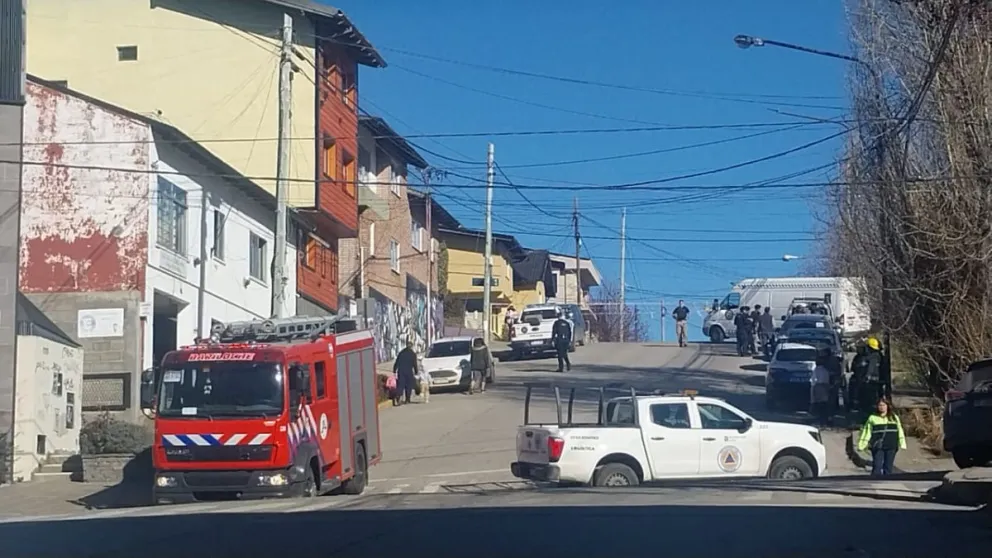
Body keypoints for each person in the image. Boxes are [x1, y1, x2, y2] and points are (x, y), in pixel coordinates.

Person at [857, 397, 906, 476]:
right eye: (880, 405)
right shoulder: (872, 418)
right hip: (878, 446)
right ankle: (875, 482)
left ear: (887, 406)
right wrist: (862, 445)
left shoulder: (894, 418)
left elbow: (900, 431)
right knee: (877, 466)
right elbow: (867, 432)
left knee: (888, 467)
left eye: (884, 405)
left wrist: (902, 443)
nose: (882, 407)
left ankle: (887, 483)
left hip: (891, 446)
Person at [852, 337, 883, 413]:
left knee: (871, 400)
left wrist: (866, 377)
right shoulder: (863, 357)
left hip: (871, 383)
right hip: (869, 383)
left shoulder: (875, 357)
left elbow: (871, 369)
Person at [392, 340, 419, 405]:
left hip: (401, 371)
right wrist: (416, 371)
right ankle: (407, 399)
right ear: (411, 346)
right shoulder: (413, 354)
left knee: (401, 384)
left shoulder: (401, 353)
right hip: (409, 371)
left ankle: (398, 396)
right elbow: (414, 364)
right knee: (408, 385)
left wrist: (394, 370)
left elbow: (397, 362)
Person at [811, 349, 833, 426]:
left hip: (818, 387)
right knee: (824, 404)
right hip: (825, 387)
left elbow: (813, 381)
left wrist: (813, 391)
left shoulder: (817, 370)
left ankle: (821, 420)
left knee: (819, 405)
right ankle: (824, 420)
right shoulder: (825, 370)